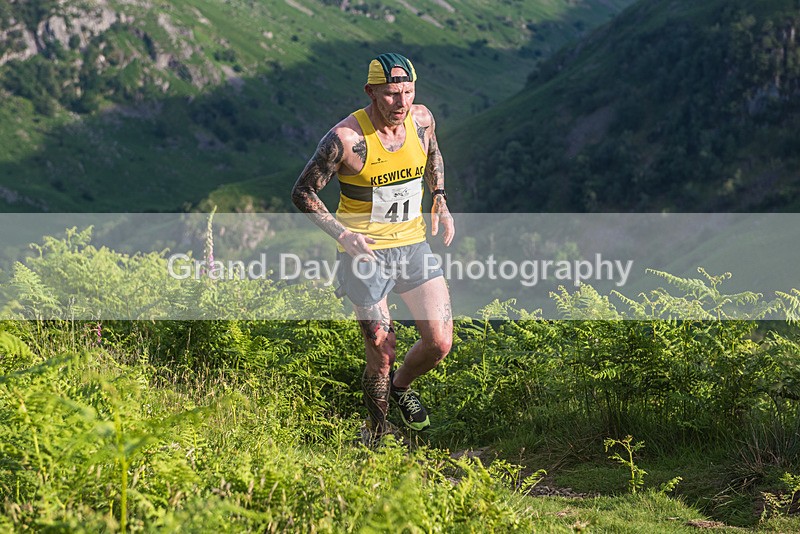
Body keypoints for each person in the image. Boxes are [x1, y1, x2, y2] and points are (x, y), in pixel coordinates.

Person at [291, 52, 454, 443]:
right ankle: (377, 433)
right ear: (371, 92)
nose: (402, 102)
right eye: (392, 94)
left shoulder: (422, 119)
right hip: (364, 254)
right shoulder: (345, 139)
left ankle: (401, 387)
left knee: (439, 342)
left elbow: (432, 152)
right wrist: (342, 235)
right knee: (382, 351)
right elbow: (303, 191)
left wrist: (440, 197)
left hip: (413, 246)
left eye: (408, 92)